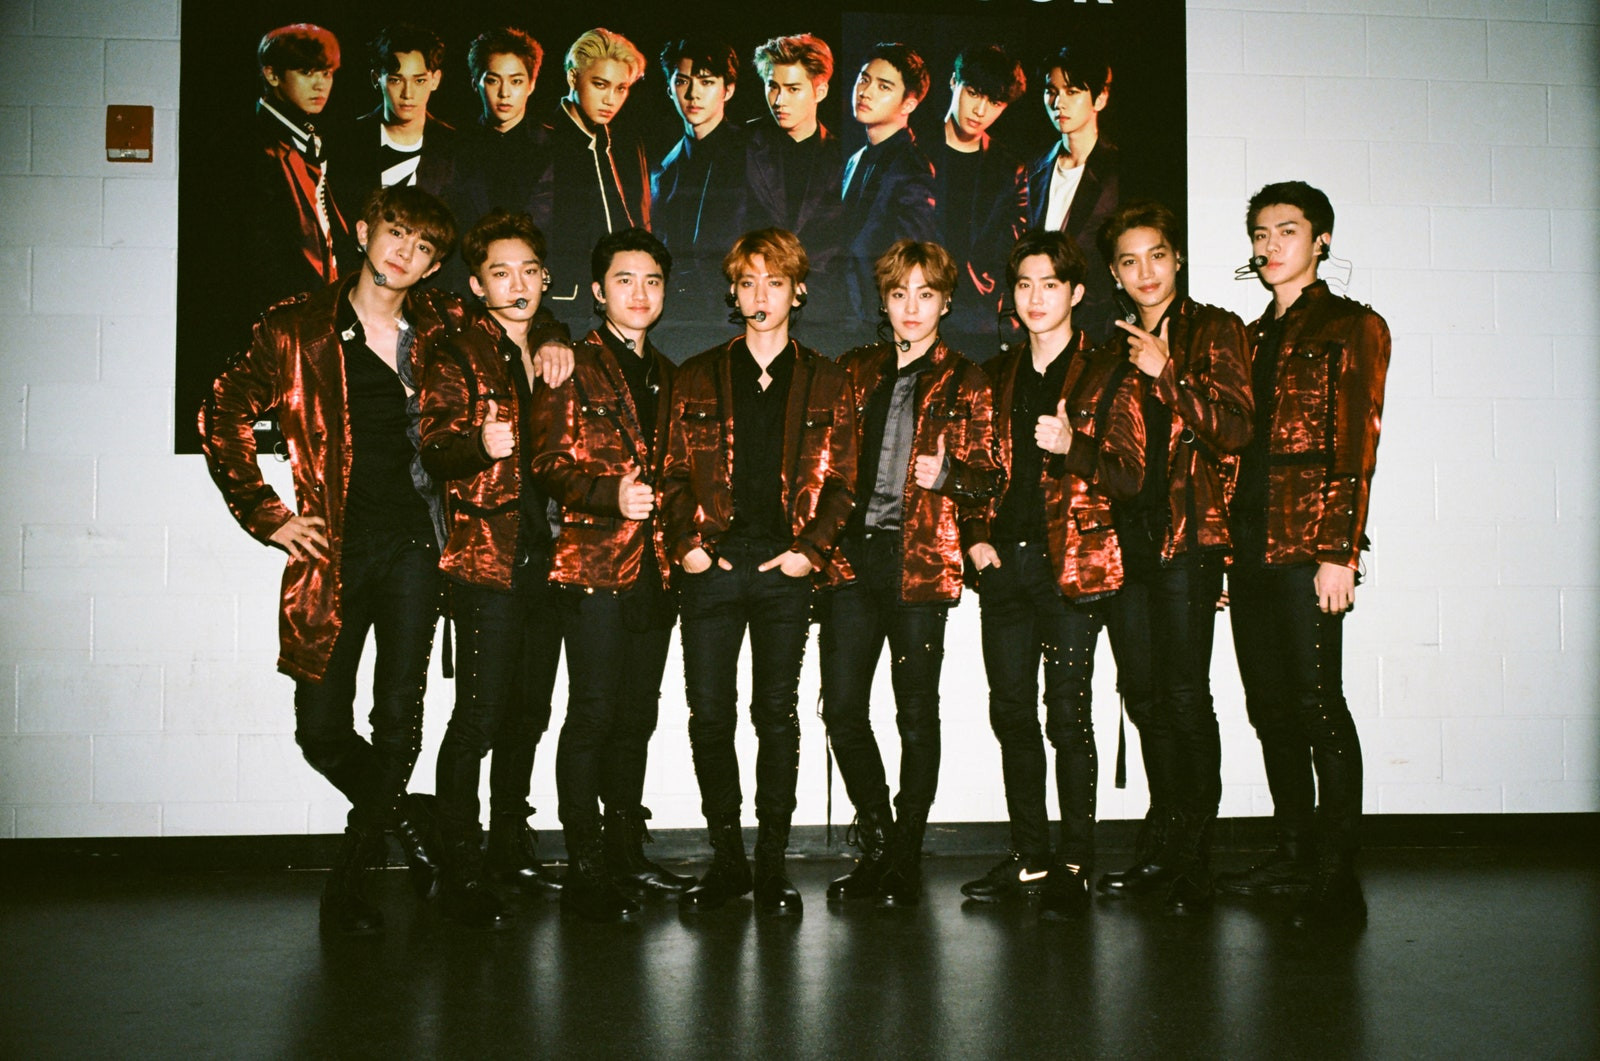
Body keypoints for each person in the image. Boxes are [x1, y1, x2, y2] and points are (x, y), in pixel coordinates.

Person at [200, 185, 462, 935]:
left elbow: (518, 313)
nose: (404, 252)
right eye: (395, 232)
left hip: (416, 545)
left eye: (422, 246)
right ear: (364, 230)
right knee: (318, 728)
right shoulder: (296, 328)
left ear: (432, 266)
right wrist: (269, 516)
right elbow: (221, 409)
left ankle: (348, 880)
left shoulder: (442, 329)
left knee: (398, 717)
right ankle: (411, 822)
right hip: (334, 549)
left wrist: (550, 335)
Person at [661, 227, 858, 916]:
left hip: (785, 568)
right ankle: (728, 861)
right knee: (710, 715)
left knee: (776, 714)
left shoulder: (827, 378)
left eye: (775, 282)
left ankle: (771, 864)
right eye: (748, 282)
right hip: (710, 568)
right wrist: (687, 544)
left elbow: (845, 481)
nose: (761, 295)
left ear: (797, 291)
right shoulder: (697, 374)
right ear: (733, 292)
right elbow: (672, 472)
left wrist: (811, 550)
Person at [1217, 181, 1390, 929]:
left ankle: (1335, 871)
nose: (1270, 245)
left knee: (1319, 705)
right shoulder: (1249, 338)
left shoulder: (1352, 326)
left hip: (1308, 544)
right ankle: (1292, 853)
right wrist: (1223, 551)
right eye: (1260, 233)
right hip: (1249, 546)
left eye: (1286, 230)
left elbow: (1357, 443)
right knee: (1269, 708)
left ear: (1321, 240)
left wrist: (1339, 551)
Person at [959, 229, 1143, 920]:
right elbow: (976, 470)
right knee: (1010, 712)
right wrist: (976, 538)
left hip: (1069, 564)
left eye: (1051, 284)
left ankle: (1074, 862)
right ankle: (1030, 855)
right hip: (1004, 566)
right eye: (1025, 284)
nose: (1036, 297)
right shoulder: (996, 373)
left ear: (1077, 292)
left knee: (1067, 715)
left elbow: (1130, 475)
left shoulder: (1106, 372)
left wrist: (1073, 446)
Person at [823, 241, 1003, 907]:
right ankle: (878, 840)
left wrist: (949, 475)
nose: (911, 307)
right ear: (885, 300)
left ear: (946, 302)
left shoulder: (968, 379)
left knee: (915, 714)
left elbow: (992, 477)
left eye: (925, 294)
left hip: (920, 561)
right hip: (851, 559)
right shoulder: (854, 370)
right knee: (842, 708)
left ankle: (904, 855)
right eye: (899, 293)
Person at [528, 228, 695, 922]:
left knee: (636, 718)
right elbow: (546, 463)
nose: (640, 293)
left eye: (652, 280)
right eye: (625, 280)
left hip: (656, 570)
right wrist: (607, 495)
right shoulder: (572, 363)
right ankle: (586, 864)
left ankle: (626, 851)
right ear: (598, 292)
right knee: (593, 715)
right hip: (591, 565)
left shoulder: (671, 374)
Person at [1092, 201, 1252, 915]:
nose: (1145, 272)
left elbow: (1236, 431)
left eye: (1156, 255)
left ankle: (1195, 854)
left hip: (1188, 534)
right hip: (1126, 537)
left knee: (1186, 696)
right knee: (1144, 693)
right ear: (1114, 273)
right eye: (1129, 261)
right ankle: (1163, 838)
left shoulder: (1215, 329)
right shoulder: (1111, 346)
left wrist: (1168, 373)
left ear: (1177, 258)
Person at [417, 209, 575, 929]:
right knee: (478, 717)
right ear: (478, 286)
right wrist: (479, 443)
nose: (518, 285)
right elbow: (434, 451)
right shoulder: (455, 352)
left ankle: (510, 845)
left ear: (545, 279)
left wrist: (555, 335)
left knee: (529, 716)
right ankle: (459, 863)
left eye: (529, 271)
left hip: (551, 556)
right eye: (501, 273)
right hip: (487, 558)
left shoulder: (552, 347)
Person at [437, 27, 556, 295]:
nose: (504, 93)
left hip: (536, 288)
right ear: (475, 83)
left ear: (531, 84)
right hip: (465, 286)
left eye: (516, 81)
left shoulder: (555, 148)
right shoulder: (454, 147)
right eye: (493, 81)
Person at [546, 28, 652, 317]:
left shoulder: (625, 145)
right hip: (563, 306)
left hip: (623, 303)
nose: (610, 100)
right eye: (600, 85)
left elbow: (641, 224)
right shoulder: (544, 142)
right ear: (573, 78)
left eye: (621, 88)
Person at [933, 45, 1028, 362]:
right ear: (953, 82)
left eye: (995, 103)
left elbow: (1012, 254)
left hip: (978, 322)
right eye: (973, 93)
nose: (980, 111)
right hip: (913, 310)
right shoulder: (913, 149)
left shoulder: (1009, 169)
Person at [249, 23, 351, 309]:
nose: (320, 85)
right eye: (306, 72)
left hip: (317, 303)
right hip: (278, 309)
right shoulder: (252, 145)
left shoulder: (309, 136)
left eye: (326, 73)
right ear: (272, 74)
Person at [1026, 41, 1120, 345]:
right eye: (1051, 91)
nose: (1058, 103)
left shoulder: (1118, 172)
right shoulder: (1031, 170)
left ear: (1100, 98)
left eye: (1072, 91)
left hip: (1096, 332)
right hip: (1036, 329)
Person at [838, 43, 937, 334]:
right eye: (864, 79)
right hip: (846, 314)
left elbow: (911, 262)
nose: (865, 92)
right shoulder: (856, 158)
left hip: (878, 321)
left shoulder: (913, 167)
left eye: (884, 86)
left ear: (909, 105)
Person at [744, 35, 845, 309]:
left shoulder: (843, 157)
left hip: (822, 304)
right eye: (772, 87)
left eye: (793, 89)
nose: (779, 100)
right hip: (752, 295)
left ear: (820, 92)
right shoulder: (742, 142)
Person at [652, 37, 748, 323]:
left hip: (737, 312)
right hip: (678, 316)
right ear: (669, 89)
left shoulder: (754, 155)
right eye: (682, 81)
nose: (693, 94)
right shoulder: (663, 169)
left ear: (728, 89)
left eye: (706, 82)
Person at [333, 25, 459, 232]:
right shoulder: (347, 141)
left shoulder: (454, 146)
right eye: (395, 80)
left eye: (419, 81)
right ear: (376, 79)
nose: (408, 93)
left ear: (435, 80)